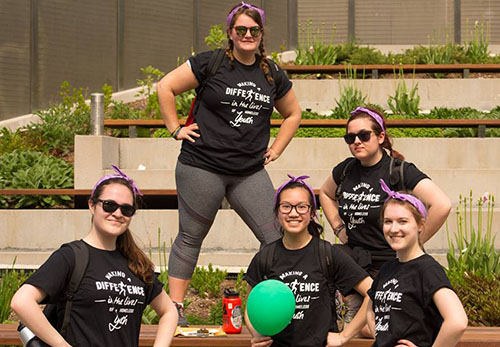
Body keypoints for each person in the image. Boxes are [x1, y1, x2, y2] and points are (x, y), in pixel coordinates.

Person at [157, 1, 301, 325]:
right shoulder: (212, 62)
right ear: (231, 33)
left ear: (261, 34)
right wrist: (175, 128)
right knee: (191, 237)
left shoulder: (272, 72)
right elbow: (165, 87)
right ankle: (174, 309)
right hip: (201, 165)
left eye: (254, 30)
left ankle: (275, 307)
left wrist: (277, 148)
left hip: (248, 171)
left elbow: (293, 114)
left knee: (276, 238)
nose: (247, 34)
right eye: (241, 30)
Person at [11, 165, 178, 347]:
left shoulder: (136, 262)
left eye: (126, 209)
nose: (117, 213)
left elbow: (169, 311)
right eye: (109, 205)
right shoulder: (71, 256)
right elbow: (22, 301)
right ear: (92, 205)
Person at [319, 107, 452, 325]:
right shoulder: (346, 170)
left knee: (375, 329)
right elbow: (325, 193)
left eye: (364, 135)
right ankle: (354, 301)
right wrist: (338, 228)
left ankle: (362, 304)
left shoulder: (398, 170)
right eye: (350, 137)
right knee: (326, 254)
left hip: (390, 261)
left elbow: (441, 204)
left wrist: (414, 243)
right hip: (356, 258)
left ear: (381, 136)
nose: (357, 142)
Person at [245, 175, 373, 347]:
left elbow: (372, 292)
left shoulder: (328, 254)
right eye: (286, 207)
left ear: (312, 212)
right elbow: (251, 305)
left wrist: (344, 336)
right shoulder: (265, 257)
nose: (293, 213)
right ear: (277, 212)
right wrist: (257, 333)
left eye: (301, 207)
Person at [367, 179, 467, 347]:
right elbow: (370, 310)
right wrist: (381, 339)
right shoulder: (388, 268)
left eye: (403, 221)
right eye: (388, 221)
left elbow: (457, 322)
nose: (393, 228)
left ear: (420, 225)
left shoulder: (427, 270)